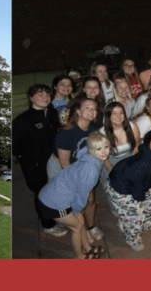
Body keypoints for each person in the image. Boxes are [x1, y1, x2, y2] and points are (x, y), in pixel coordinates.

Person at [37, 132, 109, 258]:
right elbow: (82, 195)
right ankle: (79, 257)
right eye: (98, 149)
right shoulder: (90, 171)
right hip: (54, 202)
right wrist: (76, 209)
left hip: (54, 193)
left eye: (106, 147)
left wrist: (77, 211)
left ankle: (87, 248)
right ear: (91, 150)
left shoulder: (89, 156)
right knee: (77, 226)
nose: (104, 152)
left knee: (80, 221)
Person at [106, 129, 151, 251]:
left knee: (150, 194)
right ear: (147, 144)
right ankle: (133, 239)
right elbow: (137, 189)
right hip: (118, 189)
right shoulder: (144, 163)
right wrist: (139, 203)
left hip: (127, 182)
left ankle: (147, 224)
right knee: (135, 213)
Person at [49, 98, 104, 240]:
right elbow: (64, 164)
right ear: (78, 112)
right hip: (62, 169)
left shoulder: (92, 129)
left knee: (90, 199)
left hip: (81, 168)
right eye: (87, 107)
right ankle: (82, 231)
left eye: (94, 108)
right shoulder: (66, 132)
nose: (92, 111)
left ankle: (91, 226)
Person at [12, 84, 63, 236]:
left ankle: (59, 215)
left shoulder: (52, 113)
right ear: (30, 98)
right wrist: (30, 160)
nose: (45, 97)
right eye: (39, 95)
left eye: (47, 94)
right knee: (42, 194)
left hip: (56, 162)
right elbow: (15, 147)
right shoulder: (23, 121)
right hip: (36, 167)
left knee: (56, 191)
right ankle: (48, 224)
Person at [99, 102, 141, 171]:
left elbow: (136, 147)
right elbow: (103, 157)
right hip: (110, 163)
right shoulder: (102, 133)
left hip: (129, 159)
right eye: (114, 113)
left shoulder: (133, 127)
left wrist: (130, 164)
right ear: (108, 116)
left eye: (121, 113)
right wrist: (113, 170)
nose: (118, 116)